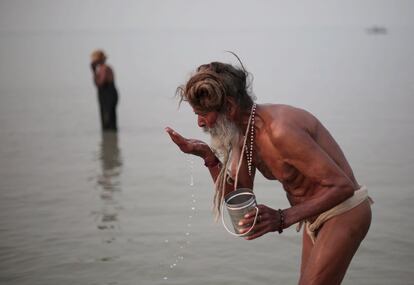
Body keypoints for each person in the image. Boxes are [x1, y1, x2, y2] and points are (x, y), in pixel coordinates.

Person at [165, 59, 372, 285]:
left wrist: (282, 218)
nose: (200, 123)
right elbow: (239, 199)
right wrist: (209, 158)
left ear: (230, 107)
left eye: (203, 113)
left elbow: (343, 187)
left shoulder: (280, 130)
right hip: (312, 216)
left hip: (344, 210)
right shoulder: (243, 136)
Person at [90, 49, 119, 131]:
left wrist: (94, 71)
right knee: (109, 120)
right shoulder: (104, 68)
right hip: (107, 95)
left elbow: (100, 83)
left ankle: (109, 141)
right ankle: (110, 141)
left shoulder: (104, 69)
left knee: (108, 121)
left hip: (108, 96)